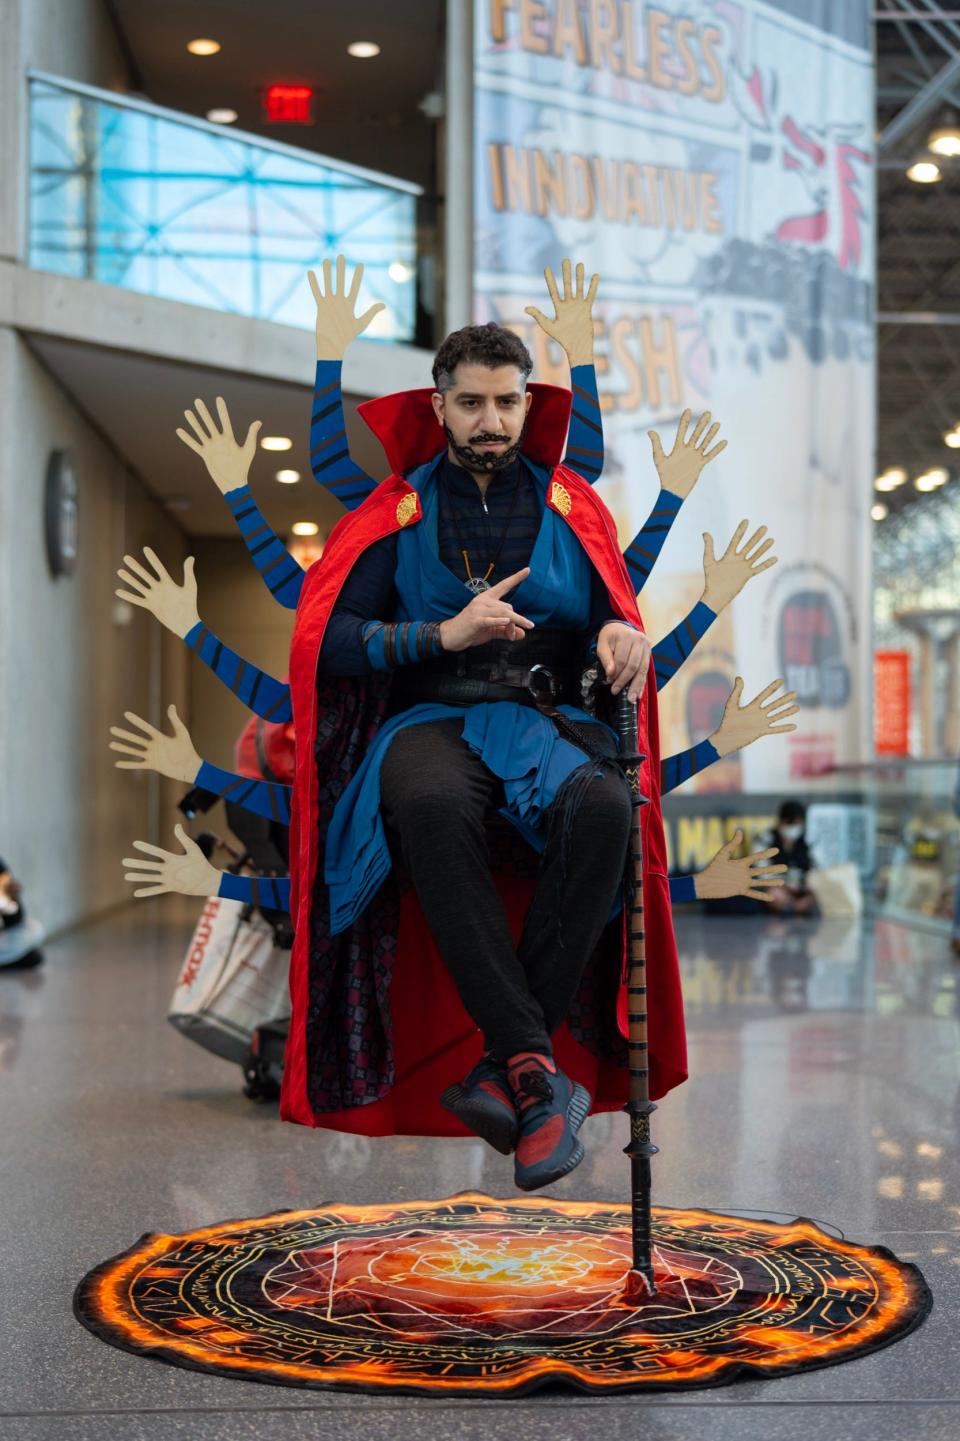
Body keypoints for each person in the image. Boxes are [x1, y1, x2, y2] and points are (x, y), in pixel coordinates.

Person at [762, 801, 817, 915]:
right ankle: (790, 908)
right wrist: (785, 885)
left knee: (818, 894)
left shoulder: (808, 841)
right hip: (777, 887)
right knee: (774, 896)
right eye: (790, 824)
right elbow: (762, 871)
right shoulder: (766, 839)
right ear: (781, 822)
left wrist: (807, 884)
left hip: (802, 888)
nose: (794, 829)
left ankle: (798, 908)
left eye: (798, 824)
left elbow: (817, 868)